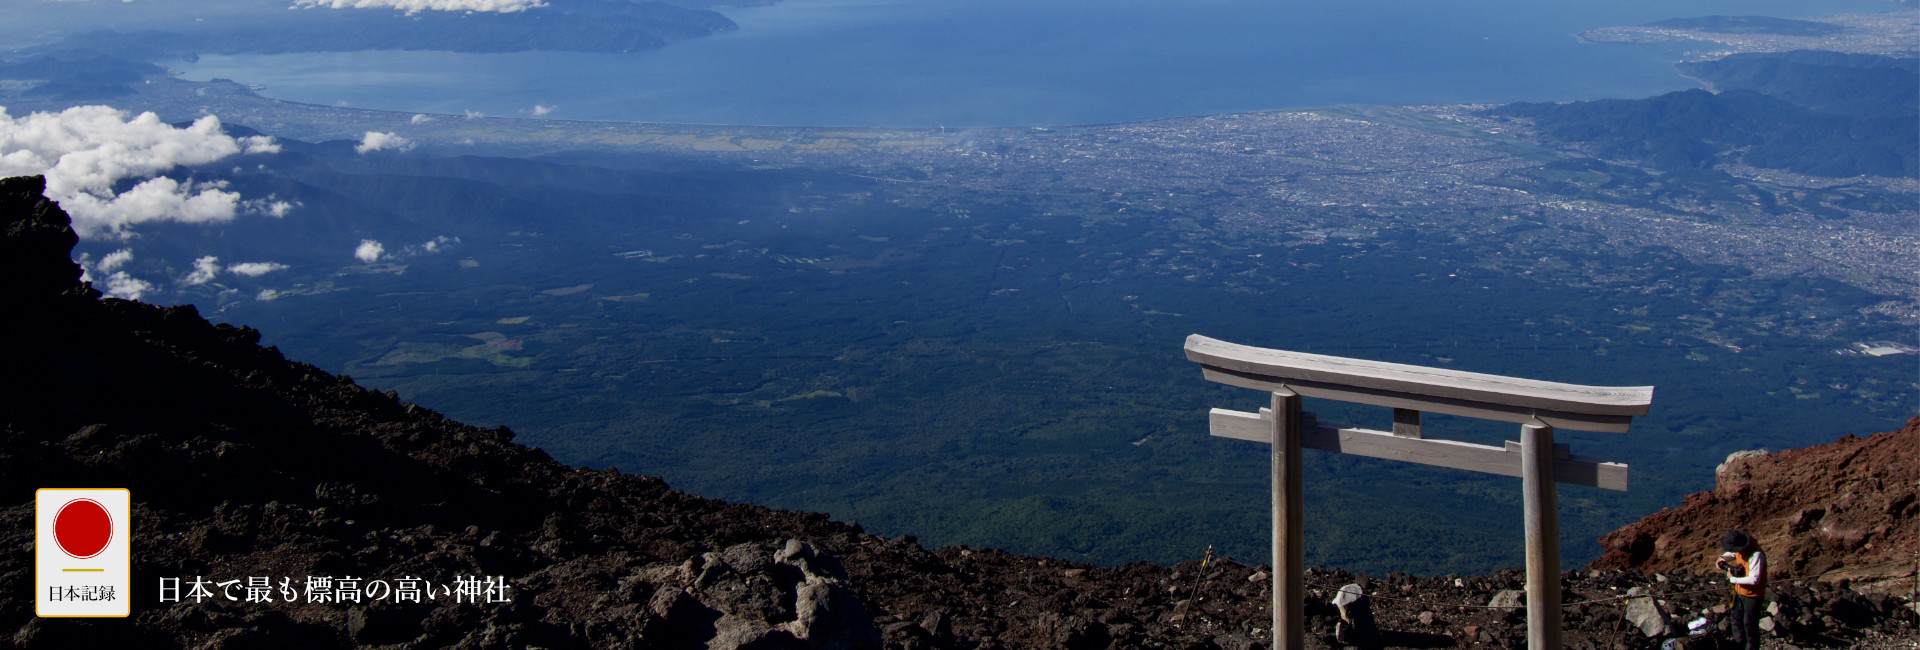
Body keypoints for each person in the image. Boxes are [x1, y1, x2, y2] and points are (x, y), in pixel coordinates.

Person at [1716, 530, 1766, 650]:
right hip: (1740, 592)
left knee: (1750, 625)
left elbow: (1754, 580)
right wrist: (1722, 558)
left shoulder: (1756, 554)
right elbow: (1733, 554)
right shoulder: (1741, 549)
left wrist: (1733, 579)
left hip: (1753, 595)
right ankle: (1739, 645)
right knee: (1736, 619)